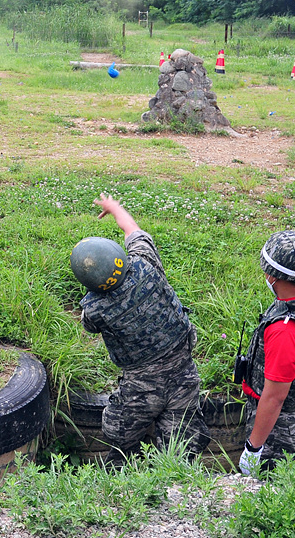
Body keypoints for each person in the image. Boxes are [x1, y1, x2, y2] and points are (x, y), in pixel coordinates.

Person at [73, 194, 209, 466]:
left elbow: (89, 326)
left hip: (140, 384)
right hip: (182, 370)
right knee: (182, 446)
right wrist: (114, 207)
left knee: (119, 436)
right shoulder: (145, 262)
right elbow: (132, 230)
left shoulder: (96, 309)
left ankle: (121, 479)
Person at [238, 230, 295, 476]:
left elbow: (274, 398)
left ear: (272, 275)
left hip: (280, 436)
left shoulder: (286, 331)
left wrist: (253, 448)